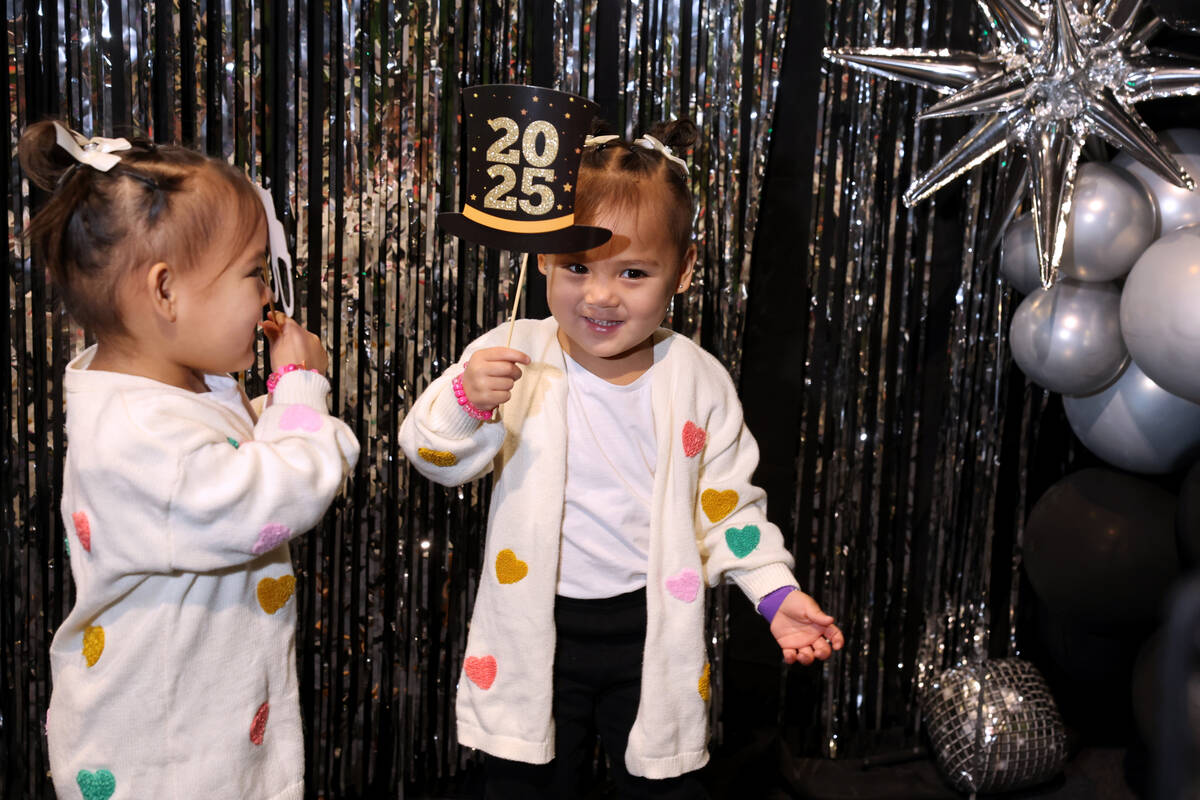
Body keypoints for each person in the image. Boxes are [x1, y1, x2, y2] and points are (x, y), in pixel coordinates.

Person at [399, 120, 843, 798]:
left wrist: (774, 592)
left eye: (632, 273)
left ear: (684, 270)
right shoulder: (513, 353)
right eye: (578, 266)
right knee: (529, 782)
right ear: (544, 256)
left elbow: (728, 510)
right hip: (535, 628)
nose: (600, 296)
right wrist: (468, 398)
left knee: (660, 783)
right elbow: (432, 451)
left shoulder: (696, 382)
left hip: (649, 630)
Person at [20, 120, 360, 800]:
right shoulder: (134, 435)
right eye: (253, 274)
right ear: (166, 291)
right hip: (164, 756)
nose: (268, 295)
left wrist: (273, 413)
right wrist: (299, 393)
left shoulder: (175, 385)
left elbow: (223, 454)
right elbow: (265, 498)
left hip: (207, 724)